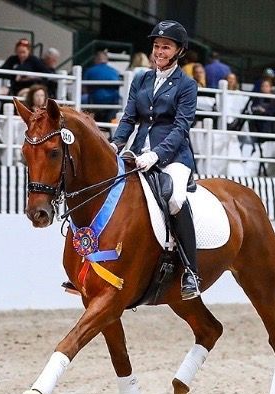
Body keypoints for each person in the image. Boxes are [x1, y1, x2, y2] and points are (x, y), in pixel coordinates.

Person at [110, 20, 200, 300]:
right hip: (137, 151)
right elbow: (129, 117)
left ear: (178, 51)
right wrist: (115, 143)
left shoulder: (187, 85)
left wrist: (157, 154)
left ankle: (190, 272)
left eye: (166, 47)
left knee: (174, 199)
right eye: (157, 46)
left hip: (173, 156)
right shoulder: (141, 79)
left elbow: (181, 126)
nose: (159, 51)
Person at [82, 50, 120, 122]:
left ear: (96, 59)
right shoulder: (115, 71)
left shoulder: (90, 71)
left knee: (81, 99)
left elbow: (84, 88)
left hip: (94, 101)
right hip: (112, 103)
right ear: (106, 60)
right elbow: (118, 87)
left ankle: (84, 123)